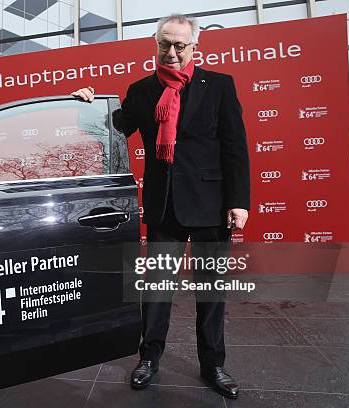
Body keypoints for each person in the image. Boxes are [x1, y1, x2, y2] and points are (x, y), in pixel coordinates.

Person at [72, 14, 250, 399]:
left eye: (179, 45)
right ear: (156, 43)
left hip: (212, 205)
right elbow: (116, 128)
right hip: (163, 205)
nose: (171, 52)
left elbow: (235, 147)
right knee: (156, 289)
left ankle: (213, 365)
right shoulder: (142, 89)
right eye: (164, 44)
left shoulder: (219, 86)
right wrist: (87, 107)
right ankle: (149, 359)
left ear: (194, 47)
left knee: (211, 291)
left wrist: (239, 202)